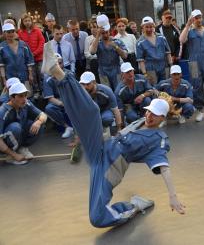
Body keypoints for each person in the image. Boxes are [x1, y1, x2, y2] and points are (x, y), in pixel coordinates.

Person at [40, 43, 185, 227]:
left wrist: (172, 196)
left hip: (109, 168)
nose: (149, 115)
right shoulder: (141, 121)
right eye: (149, 111)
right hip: (101, 148)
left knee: (97, 218)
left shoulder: (158, 140)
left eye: (155, 114)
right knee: (92, 112)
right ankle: (57, 72)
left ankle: (134, 206)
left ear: (163, 118)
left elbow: (165, 168)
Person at [0, 82, 47, 165]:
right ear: (11, 97)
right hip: (4, 144)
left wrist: (39, 122)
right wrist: (14, 155)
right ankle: (10, 156)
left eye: (25, 95)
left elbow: (43, 115)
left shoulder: (26, 103)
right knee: (15, 127)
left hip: (18, 137)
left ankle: (21, 148)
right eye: (21, 96)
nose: (24, 99)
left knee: (40, 124)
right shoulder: (2, 111)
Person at [89, 14, 128, 89]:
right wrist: (97, 36)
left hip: (116, 70)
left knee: (118, 90)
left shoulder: (117, 41)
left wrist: (116, 47)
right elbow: (92, 52)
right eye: (103, 33)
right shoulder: (97, 42)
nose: (105, 35)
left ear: (109, 31)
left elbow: (125, 56)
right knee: (107, 92)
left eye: (107, 32)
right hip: (103, 71)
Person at [43, 53, 74, 139]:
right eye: (56, 64)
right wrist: (62, 104)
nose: (59, 66)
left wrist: (69, 101)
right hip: (57, 100)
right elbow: (50, 98)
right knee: (49, 108)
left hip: (70, 98)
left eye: (60, 63)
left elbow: (75, 92)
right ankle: (67, 127)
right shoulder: (47, 78)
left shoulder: (69, 74)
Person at [136, 16, 172, 85]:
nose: (149, 29)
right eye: (146, 27)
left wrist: (171, 66)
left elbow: (168, 53)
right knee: (154, 88)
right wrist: (145, 74)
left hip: (164, 66)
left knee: (165, 86)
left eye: (151, 27)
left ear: (154, 26)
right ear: (142, 27)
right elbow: (141, 60)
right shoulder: (140, 42)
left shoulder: (161, 37)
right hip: (150, 69)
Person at [0, 23, 35, 89]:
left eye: (12, 31)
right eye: (8, 32)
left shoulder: (23, 44)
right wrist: (4, 79)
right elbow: (1, 65)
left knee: (27, 95)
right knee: (14, 96)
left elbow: (29, 61)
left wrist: (30, 74)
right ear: (4, 33)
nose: (11, 34)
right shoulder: (1, 47)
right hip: (10, 77)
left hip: (24, 75)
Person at [17, 13, 44, 96]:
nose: (27, 22)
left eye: (29, 20)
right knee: (33, 76)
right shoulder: (20, 33)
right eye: (25, 21)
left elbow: (42, 42)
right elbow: (20, 46)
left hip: (39, 58)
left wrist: (34, 53)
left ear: (31, 21)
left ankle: (44, 90)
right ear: (22, 22)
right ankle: (36, 91)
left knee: (41, 74)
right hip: (28, 60)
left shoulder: (37, 31)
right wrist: (28, 55)